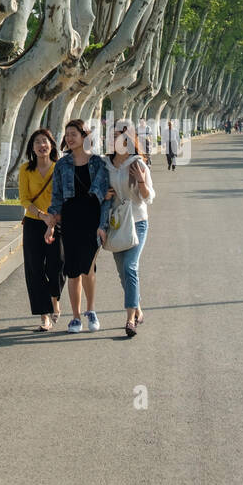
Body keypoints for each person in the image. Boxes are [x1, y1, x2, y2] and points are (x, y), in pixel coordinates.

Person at [44, 119, 111, 333]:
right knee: (72, 269)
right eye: (67, 135)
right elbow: (56, 197)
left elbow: (105, 197)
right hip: (70, 220)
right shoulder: (62, 164)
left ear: (84, 136)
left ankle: (90, 311)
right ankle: (75, 317)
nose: (69, 138)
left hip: (91, 220)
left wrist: (103, 225)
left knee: (87, 267)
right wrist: (51, 223)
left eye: (74, 134)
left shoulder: (98, 163)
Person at [105, 124, 156, 336]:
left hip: (137, 221)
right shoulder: (104, 164)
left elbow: (149, 197)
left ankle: (130, 319)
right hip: (116, 223)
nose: (119, 142)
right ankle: (138, 308)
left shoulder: (137, 164)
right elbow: (98, 191)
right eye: (115, 138)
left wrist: (142, 180)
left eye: (123, 138)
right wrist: (104, 195)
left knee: (130, 267)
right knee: (122, 272)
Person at [18, 128, 65, 330]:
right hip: (33, 222)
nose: (41, 145)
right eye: (37, 142)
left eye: (45, 141)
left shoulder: (60, 168)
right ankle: (44, 315)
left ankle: (55, 299)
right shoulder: (25, 169)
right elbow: (24, 199)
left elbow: (63, 197)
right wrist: (42, 216)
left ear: (52, 145)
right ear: (32, 147)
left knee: (57, 266)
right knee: (34, 269)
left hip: (56, 221)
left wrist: (52, 221)